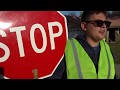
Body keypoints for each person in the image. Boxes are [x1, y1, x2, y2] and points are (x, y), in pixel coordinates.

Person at [47, 11, 116, 79]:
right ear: (84, 26)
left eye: (106, 23)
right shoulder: (67, 48)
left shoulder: (107, 49)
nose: (104, 26)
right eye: (99, 23)